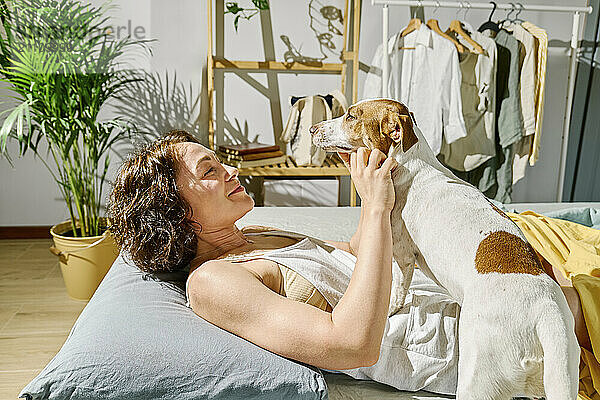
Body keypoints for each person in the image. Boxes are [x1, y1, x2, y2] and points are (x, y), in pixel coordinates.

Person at [108, 130, 591, 390]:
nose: (231, 168)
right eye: (209, 170)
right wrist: (379, 208)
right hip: (454, 338)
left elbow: (357, 257)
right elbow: (353, 344)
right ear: (178, 213)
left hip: (462, 293)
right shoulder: (213, 282)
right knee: (577, 306)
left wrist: (367, 185)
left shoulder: (252, 236)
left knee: (569, 278)